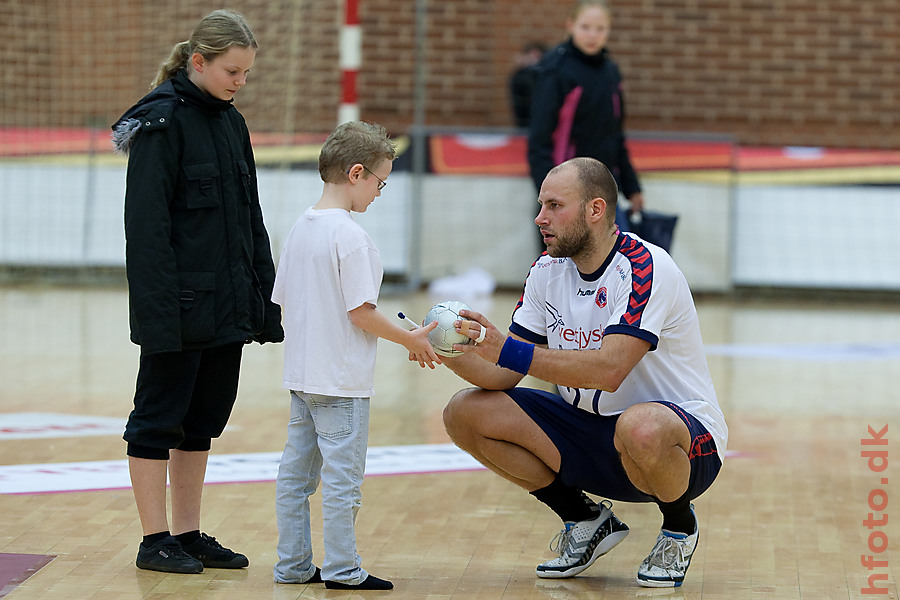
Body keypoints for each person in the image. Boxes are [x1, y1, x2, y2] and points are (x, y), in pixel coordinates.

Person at [439, 157, 727, 588]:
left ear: (595, 210)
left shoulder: (647, 267)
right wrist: (448, 350)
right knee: (465, 412)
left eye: (554, 205)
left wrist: (507, 350)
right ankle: (584, 518)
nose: (540, 218)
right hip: (591, 434)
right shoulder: (545, 271)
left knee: (641, 425)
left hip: (679, 445)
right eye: (540, 205)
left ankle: (679, 525)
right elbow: (502, 376)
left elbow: (609, 370)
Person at [111, 9, 284, 574]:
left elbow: (249, 220)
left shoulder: (232, 123)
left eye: (246, 73)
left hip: (227, 307)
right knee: (158, 419)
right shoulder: (161, 125)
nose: (239, 81)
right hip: (179, 310)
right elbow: (148, 231)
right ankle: (153, 538)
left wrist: (264, 299)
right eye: (231, 70)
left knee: (203, 420)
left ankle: (186, 533)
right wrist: (160, 320)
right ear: (198, 62)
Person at [271, 121, 441, 590]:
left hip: (303, 377)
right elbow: (361, 314)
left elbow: (286, 298)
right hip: (342, 383)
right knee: (343, 483)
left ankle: (292, 565)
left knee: (295, 478)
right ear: (358, 173)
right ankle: (344, 570)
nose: (380, 192)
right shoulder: (351, 237)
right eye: (380, 182)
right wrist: (411, 338)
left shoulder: (300, 229)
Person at [527, 0, 644, 221]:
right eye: (585, 27)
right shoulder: (556, 70)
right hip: (566, 197)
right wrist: (550, 198)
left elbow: (615, 136)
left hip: (606, 193)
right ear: (570, 26)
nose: (593, 35)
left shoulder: (610, 72)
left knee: (616, 255)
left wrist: (632, 187)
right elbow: (539, 141)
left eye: (600, 29)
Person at [509, 41, 547, 128]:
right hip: (525, 121)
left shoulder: (548, 75)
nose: (535, 61)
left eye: (538, 56)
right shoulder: (520, 75)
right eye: (532, 56)